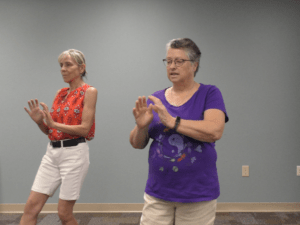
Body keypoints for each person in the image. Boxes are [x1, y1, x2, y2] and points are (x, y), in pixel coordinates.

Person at [130, 38, 229, 225]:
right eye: (168, 61)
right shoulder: (156, 98)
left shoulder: (209, 93)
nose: (172, 66)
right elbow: (137, 143)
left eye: (179, 61)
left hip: (197, 194)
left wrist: (172, 121)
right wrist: (141, 126)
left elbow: (215, 131)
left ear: (194, 65)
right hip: (158, 192)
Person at [20, 49, 98, 225]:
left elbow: (85, 129)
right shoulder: (60, 93)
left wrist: (53, 125)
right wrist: (40, 122)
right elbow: (50, 131)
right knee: (30, 208)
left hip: (74, 154)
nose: (63, 69)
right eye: (61, 65)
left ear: (81, 68)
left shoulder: (89, 91)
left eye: (68, 64)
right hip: (52, 154)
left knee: (64, 213)